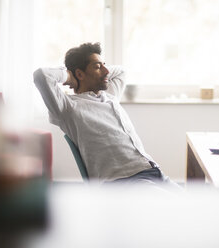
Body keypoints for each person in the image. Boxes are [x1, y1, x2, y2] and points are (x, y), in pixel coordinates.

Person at [33, 42, 180, 189]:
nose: (106, 71)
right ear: (79, 74)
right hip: (123, 181)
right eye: (97, 67)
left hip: (153, 171)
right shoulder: (67, 107)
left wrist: (99, 67)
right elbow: (41, 75)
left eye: (104, 65)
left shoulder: (110, 96)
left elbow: (121, 71)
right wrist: (69, 76)